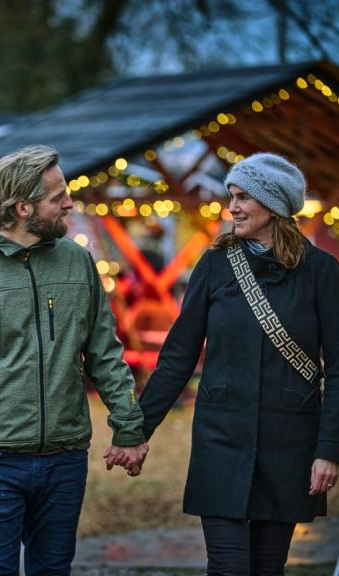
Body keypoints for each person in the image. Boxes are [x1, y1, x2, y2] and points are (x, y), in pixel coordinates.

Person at [0, 145, 149, 575]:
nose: (69, 203)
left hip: (64, 457)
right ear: (23, 207)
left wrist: (129, 429)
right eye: (57, 196)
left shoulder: (78, 262)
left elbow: (105, 352)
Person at [137, 152, 339, 575]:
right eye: (232, 195)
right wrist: (136, 430)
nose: (233, 207)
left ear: (274, 204)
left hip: (290, 441)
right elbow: (179, 354)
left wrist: (328, 451)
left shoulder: (321, 271)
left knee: (268, 567)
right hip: (221, 435)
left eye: (244, 197)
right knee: (228, 565)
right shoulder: (215, 264)